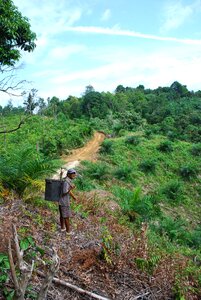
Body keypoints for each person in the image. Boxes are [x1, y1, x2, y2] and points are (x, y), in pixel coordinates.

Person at [58, 168, 77, 234]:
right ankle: (68, 232)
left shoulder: (66, 180)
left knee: (62, 215)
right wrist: (70, 189)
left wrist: (73, 196)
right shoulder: (66, 182)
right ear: (68, 174)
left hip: (61, 201)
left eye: (74, 173)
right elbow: (64, 192)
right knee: (66, 216)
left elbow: (67, 191)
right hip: (64, 202)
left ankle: (62, 228)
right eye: (73, 173)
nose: (74, 175)